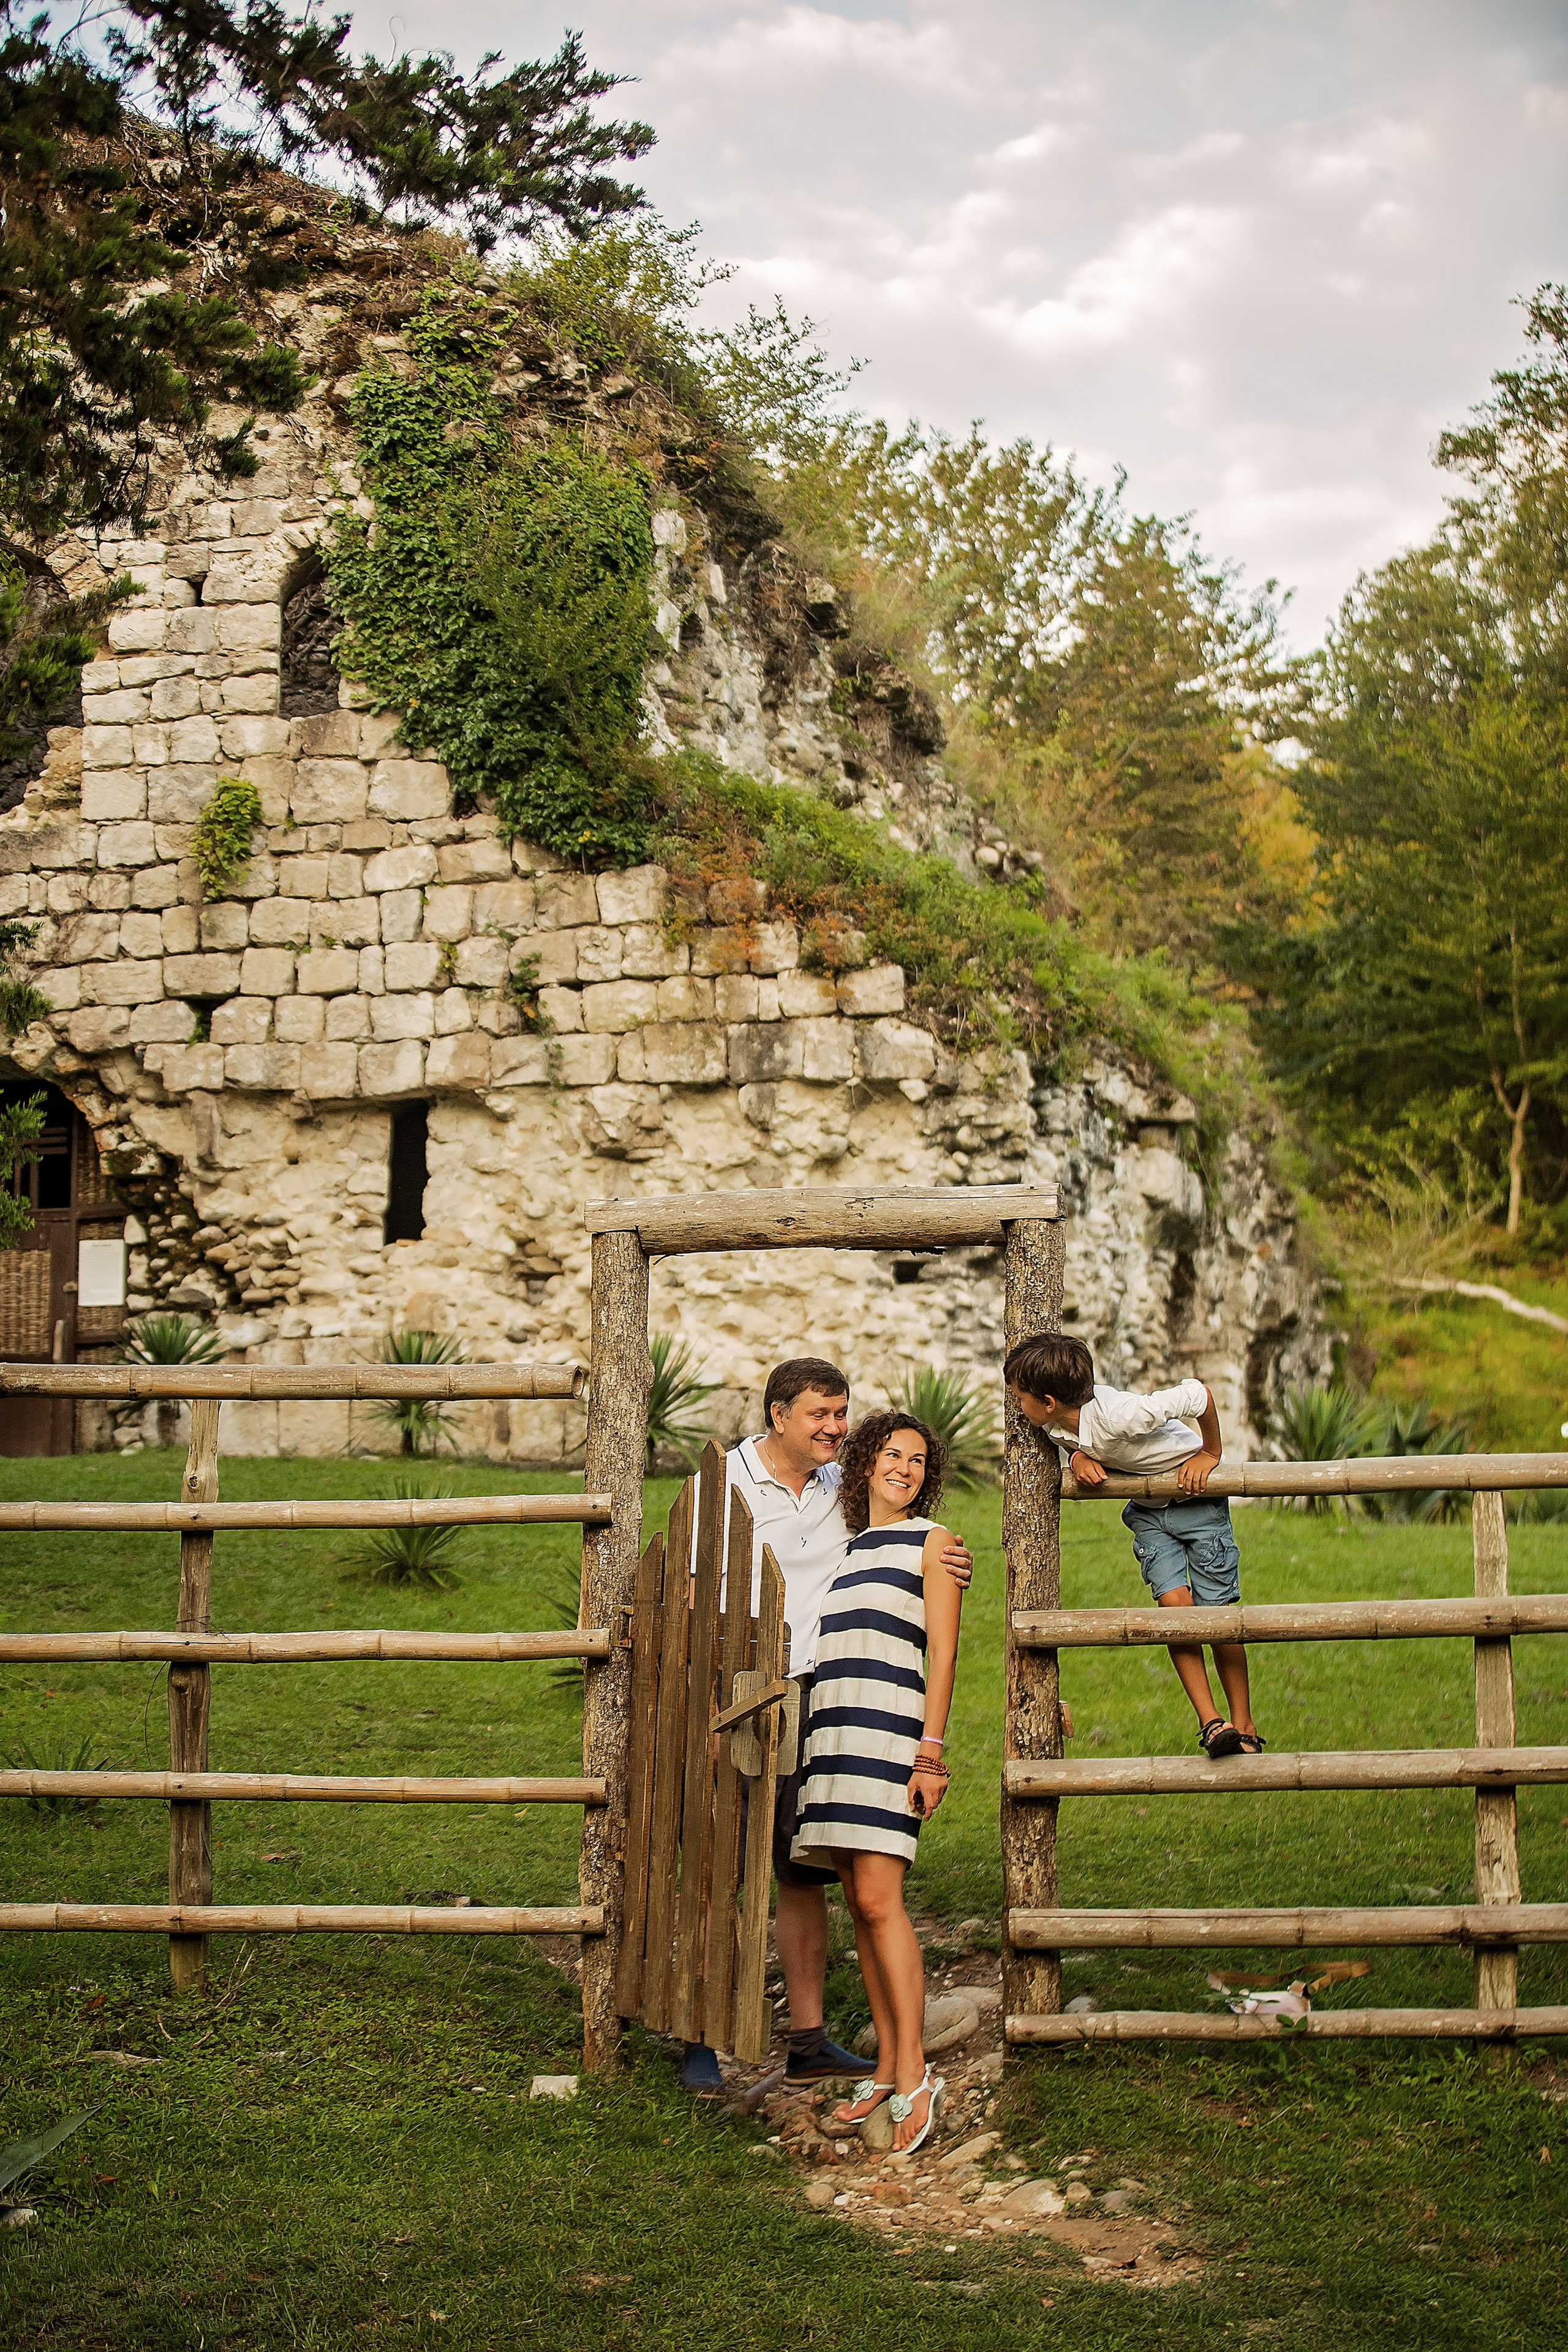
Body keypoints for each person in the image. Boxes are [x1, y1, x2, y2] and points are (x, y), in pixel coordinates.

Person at [679, 1357, 972, 2095]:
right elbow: (687, 1593)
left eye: (842, 1415)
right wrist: (703, 1697)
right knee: (722, 1866)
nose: (835, 1429)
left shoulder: (847, 1483)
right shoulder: (724, 1484)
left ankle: (807, 2038)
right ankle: (700, 2038)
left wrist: (946, 1555)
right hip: (742, 1688)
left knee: (800, 1870)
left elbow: (902, 1532)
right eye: (820, 1415)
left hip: (830, 1696)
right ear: (778, 1415)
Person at [790, 1410, 961, 2155]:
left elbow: (945, 1656)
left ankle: (917, 2075)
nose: (905, 1468)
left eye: (918, 1460)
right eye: (892, 1455)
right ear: (864, 1464)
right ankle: (888, 2069)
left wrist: (931, 1752)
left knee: (883, 1902)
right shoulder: (850, 1546)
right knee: (859, 1904)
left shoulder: (935, 1544)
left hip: (890, 1736)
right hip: (833, 1735)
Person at [1003, 1333, 1264, 1759]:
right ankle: (1212, 1723)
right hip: (1149, 1513)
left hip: (1197, 1503)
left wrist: (1210, 1453)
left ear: (1049, 1401)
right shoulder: (1053, 1423)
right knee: (1174, 1610)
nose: (1016, 1404)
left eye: (1019, 1397)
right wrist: (1078, 1458)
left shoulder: (1124, 1414)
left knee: (1217, 1617)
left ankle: (1246, 1722)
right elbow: (1071, 1440)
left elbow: (1200, 1395)